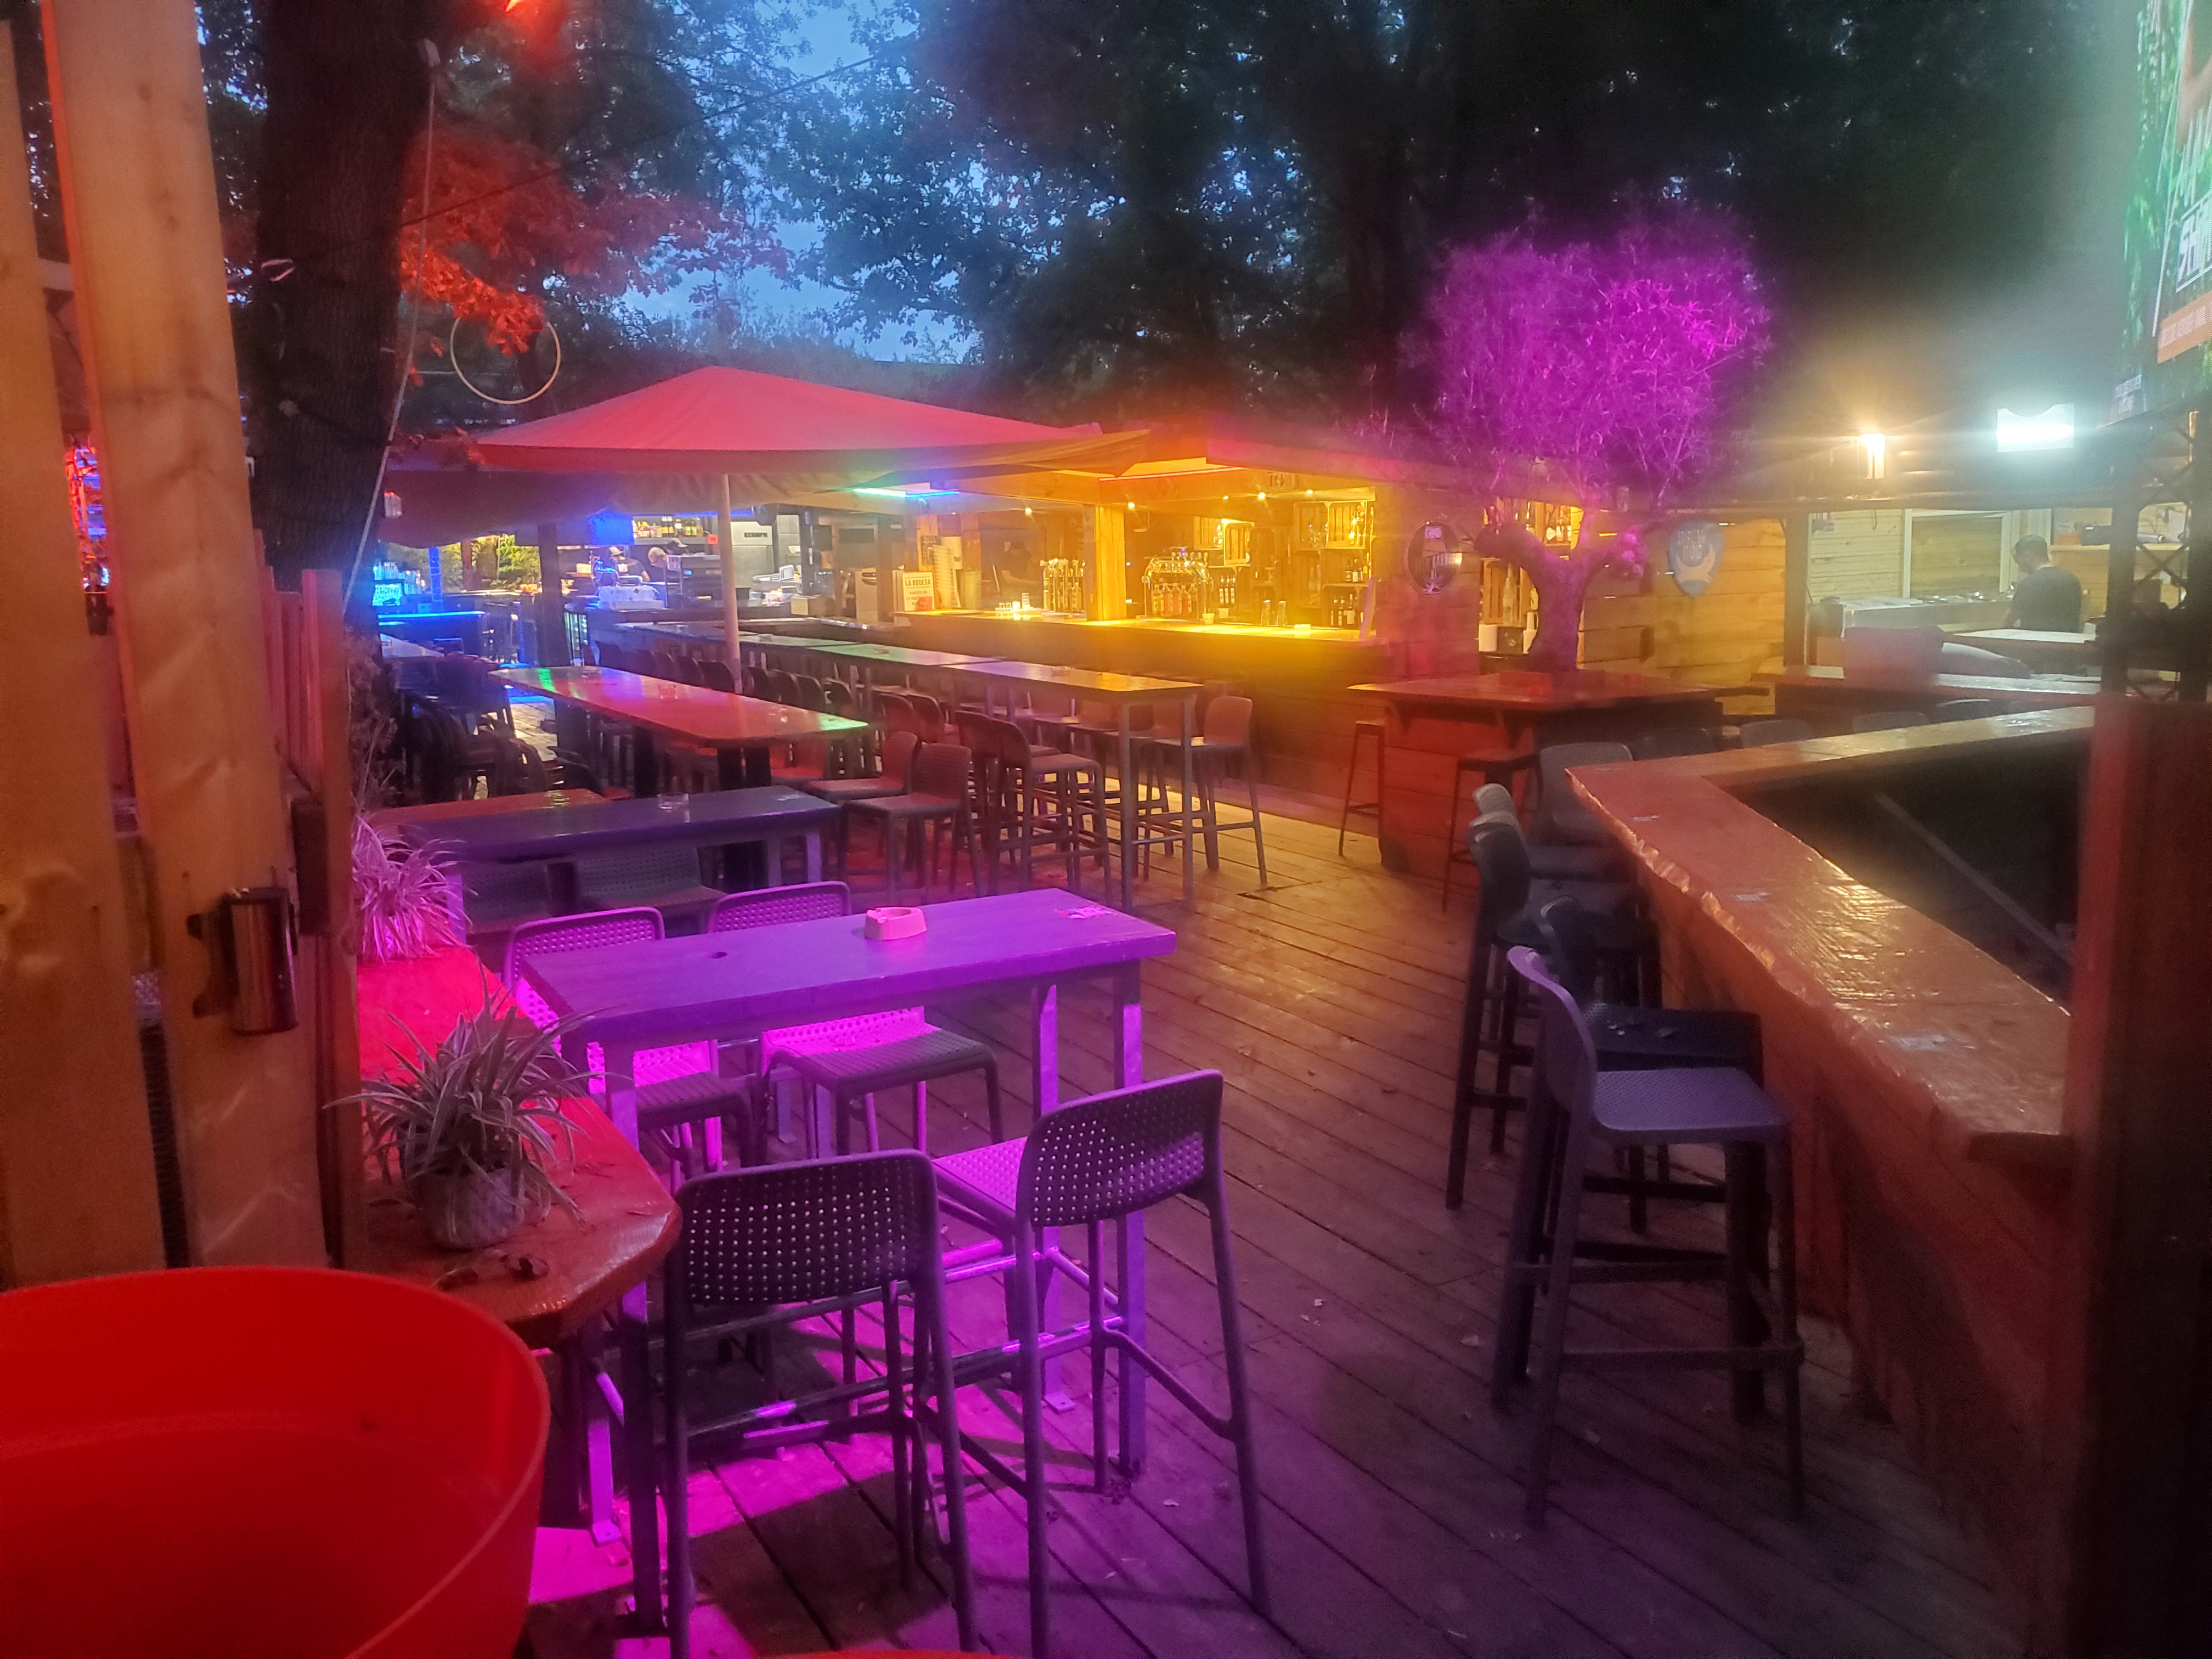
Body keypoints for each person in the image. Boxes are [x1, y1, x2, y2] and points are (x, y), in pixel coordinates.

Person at [2005, 536, 2083, 632]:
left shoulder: (2029, 584)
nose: (2020, 568)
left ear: (2028, 556)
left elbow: (2009, 619)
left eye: (2018, 562)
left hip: (2038, 640)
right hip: (2068, 640)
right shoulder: (2072, 579)